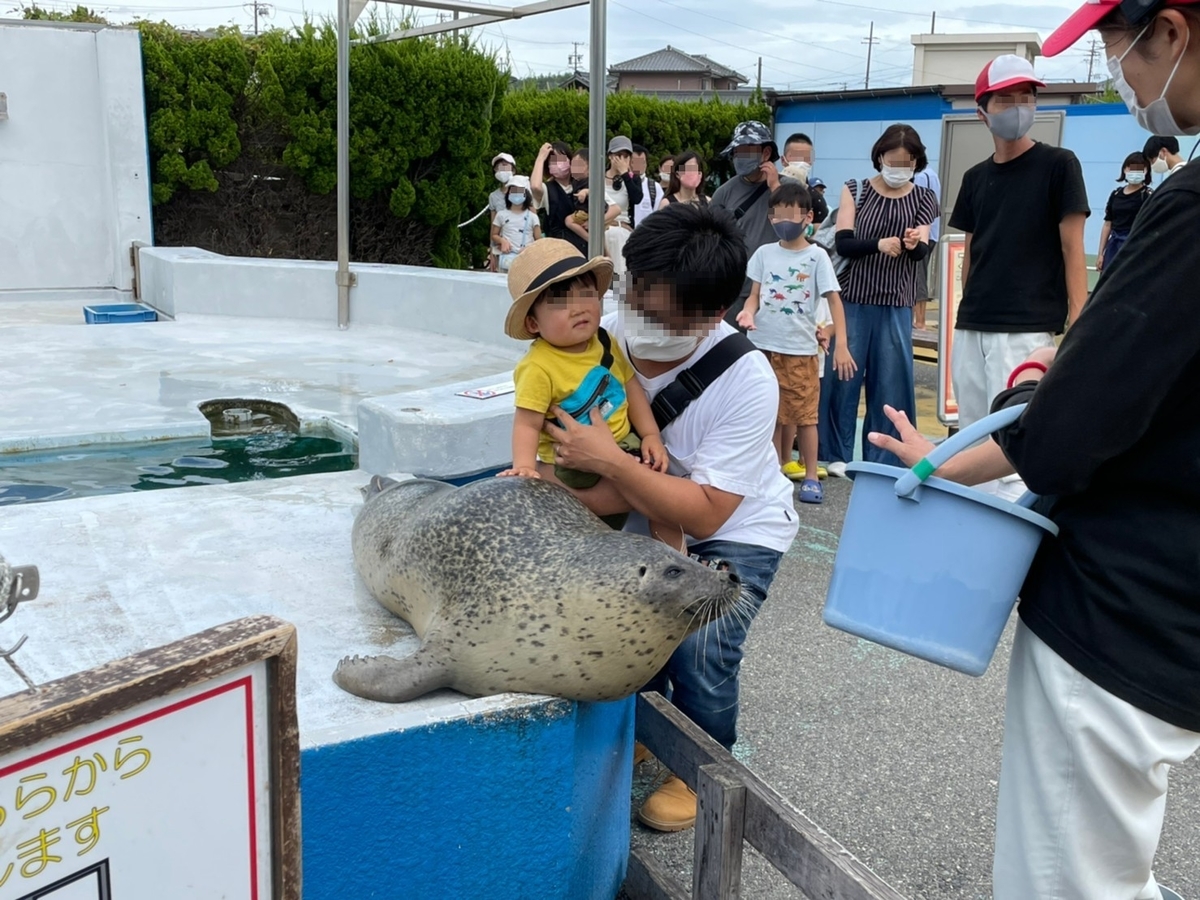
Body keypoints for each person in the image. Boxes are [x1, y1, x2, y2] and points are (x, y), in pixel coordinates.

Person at [869, 0, 1200, 895]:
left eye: (1118, 50)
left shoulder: (1183, 206)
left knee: (1068, 878)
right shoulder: (983, 181)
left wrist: (941, 463)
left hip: (1123, 616)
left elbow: (1065, 430)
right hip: (1179, 600)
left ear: (1172, 30)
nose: (1124, 77)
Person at [545, 203, 799, 832]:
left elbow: (709, 509)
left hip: (734, 528)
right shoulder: (597, 337)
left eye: (658, 311)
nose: (638, 317)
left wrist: (610, 463)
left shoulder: (747, 379)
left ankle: (703, 771)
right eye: (635, 296)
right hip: (638, 505)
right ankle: (647, 727)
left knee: (700, 648)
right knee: (627, 632)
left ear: (711, 314)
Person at [949, 54, 1090, 435]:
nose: (1018, 107)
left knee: (1015, 437)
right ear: (982, 112)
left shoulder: (1059, 164)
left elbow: (1073, 249)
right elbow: (971, 251)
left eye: (1026, 96)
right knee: (969, 434)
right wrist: (969, 306)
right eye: (1005, 99)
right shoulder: (975, 177)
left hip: (1026, 327)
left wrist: (1078, 321)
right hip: (972, 324)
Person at [497, 240, 667, 528]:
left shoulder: (603, 341)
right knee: (606, 513)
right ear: (533, 324)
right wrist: (524, 466)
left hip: (624, 443)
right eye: (561, 302)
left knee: (658, 482)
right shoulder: (538, 367)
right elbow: (527, 422)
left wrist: (651, 435)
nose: (578, 309)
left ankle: (675, 556)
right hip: (574, 462)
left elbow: (630, 387)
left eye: (586, 295)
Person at [825, 124, 938, 472]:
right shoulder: (855, 189)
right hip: (852, 300)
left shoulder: (924, 197)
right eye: (893, 159)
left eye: (907, 161)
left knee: (891, 385)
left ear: (917, 162)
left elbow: (923, 254)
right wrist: (877, 244)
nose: (898, 167)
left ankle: (886, 460)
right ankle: (834, 456)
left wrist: (914, 242)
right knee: (842, 379)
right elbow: (843, 242)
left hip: (896, 303)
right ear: (879, 157)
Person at [736, 182, 854, 503]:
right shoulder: (763, 253)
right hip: (763, 347)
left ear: (808, 216)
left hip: (801, 351)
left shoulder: (817, 257)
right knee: (770, 415)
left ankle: (812, 475)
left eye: (791, 213)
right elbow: (755, 296)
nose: (783, 220)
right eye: (777, 213)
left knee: (805, 417)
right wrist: (748, 314)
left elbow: (834, 301)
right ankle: (774, 472)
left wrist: (840, 342)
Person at [710, 120, 783, 325]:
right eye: (737, 152)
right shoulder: (723, 193)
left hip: (778, 287)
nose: (741, 157)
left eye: (747, 150)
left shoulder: (790, 189)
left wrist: (775, 187)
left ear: (766, 153)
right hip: (736, 289)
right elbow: (713, 242)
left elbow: (796, 225)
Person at [1097, 151, 1153, 272]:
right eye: (1132, 167)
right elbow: (1108, 224)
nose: (1135, 172)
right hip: (1114, 245)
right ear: (1125, 169)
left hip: (1135, 245)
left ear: (1146, 171)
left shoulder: (1148, 195)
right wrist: (1101, 253)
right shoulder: (1116, 194)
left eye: (1140, 168)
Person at [602, 135, 644, 277]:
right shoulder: (597, 178)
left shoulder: (632, 179)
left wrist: (625, 174)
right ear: (610, 156)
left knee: (617, 237)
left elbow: (637, 198)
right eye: (618, 155)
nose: (622, 159)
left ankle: (621, 295)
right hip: (599, 229)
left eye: (626, 156)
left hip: (621, 228)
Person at [910, 166, 941, 330]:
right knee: (920, 275)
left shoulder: (921, 176)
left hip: (922, 234)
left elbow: (918, 205)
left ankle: (919, 321)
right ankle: (918, 319)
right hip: (931, 233)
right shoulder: (933, 175)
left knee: (918, 276)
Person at [490, 175, 541, 273]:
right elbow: (494, 235)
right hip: (507, 260)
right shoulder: (501, 215)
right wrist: (502, 241)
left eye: (519, 190)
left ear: (526, 194)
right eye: (513, 190)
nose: (516, 193)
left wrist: (529, 249)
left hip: (528, 261)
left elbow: (539, 240)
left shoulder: (533, 217)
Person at [531, 141, 576, 247]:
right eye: (553, 161)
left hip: (583, 244)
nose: (558, 164)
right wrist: (540, 158)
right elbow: (535, 186)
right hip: (557, 246)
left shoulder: (582, 184)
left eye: (561, 159)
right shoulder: (547, 189)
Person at [780, 132, 830, 223]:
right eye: (796, 156)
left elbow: (820, 232)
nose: (802, 162)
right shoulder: (769, 188)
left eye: (807, 158)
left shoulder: (816, 199)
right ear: (783, 160)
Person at [488, 152, 518, 272]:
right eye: (498, 167)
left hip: (522, 246)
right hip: (502, 248)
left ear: (513, 169)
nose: (502, 169)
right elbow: (493, 225)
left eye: (505, 165)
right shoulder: (493, 196)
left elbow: (533, 219)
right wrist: (492, 251)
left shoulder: (524, 192)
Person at [629, 143, 661, 228]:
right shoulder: (620, 184)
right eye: (634, 162)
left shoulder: (654, 187)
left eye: (642, 162)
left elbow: (659, 217)